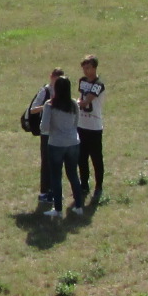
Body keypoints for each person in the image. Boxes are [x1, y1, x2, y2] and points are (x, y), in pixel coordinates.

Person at [40, 74, 87, 219]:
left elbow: (44, 127)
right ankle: (79, 206)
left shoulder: (50, 105)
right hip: (73, 142)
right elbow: (76, 123)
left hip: (56, 143)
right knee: (73, 174)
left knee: (56, 176)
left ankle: (58, 209)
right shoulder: (74, 104)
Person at [25, 68, 62, 212]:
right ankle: (44, 191)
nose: (57, 83)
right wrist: (48, 104)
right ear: (51, 77)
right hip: (46, 131)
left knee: (57, 161)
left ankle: (54, 190)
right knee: (46, 161)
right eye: (55, 79)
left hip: (57, 130)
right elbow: (33, 109)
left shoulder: (61, 90)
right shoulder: (44, 91)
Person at [76, 55, 105, 203]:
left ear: (94, 68)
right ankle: (84, 184)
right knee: (81, 157)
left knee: (96, 157)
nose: (85, 71)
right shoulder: (82, 81)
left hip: (94, 126)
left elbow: (87, 101)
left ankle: (99, 185)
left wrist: (74, 103)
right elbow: (81, 97)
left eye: (88, 68)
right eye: (84, 68)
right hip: (81, 125)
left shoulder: (99, 84)